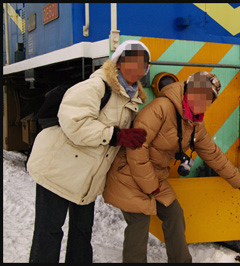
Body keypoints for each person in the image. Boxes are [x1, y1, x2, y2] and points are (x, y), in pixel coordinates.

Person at [103, 71, 240, 263]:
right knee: (139, 222)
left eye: (208, 97)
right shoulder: (161, 108)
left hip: (153, 176)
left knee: (174, 214)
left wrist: (238, 181)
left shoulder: (194, 122)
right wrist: (150, 186)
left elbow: (212, 153)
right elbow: (137, 148)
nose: (201, 100)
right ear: (187, 90)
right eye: (198, 93)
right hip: (128, 173)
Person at [26, 40, 151, 263]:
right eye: (132, 61)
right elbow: (74, 123)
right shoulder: (96, 86)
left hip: (88, 177)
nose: (137, 68)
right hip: (58, 169)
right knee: (49, 233)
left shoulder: (131, 99)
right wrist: (116, 135)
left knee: (82, 235)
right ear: (119, 63)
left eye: (143, 65)